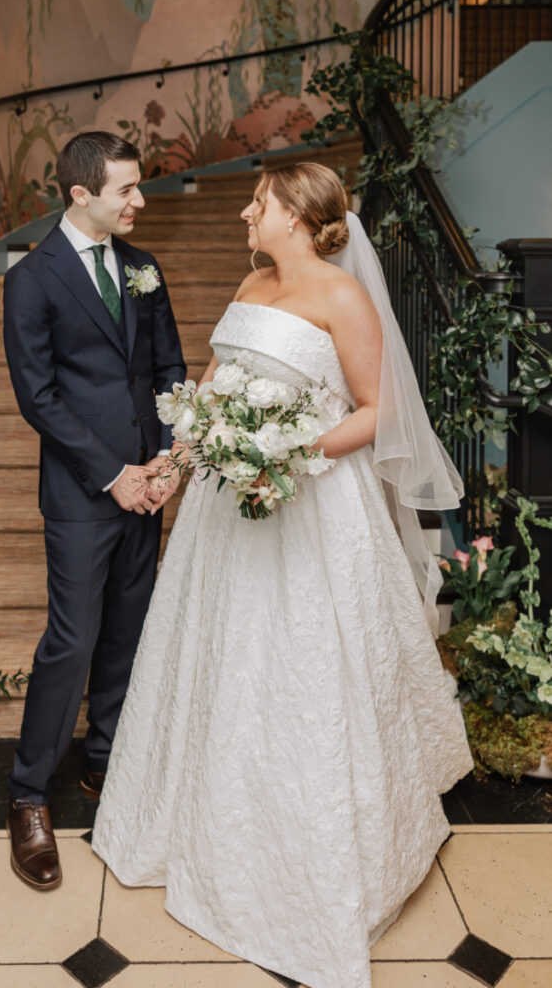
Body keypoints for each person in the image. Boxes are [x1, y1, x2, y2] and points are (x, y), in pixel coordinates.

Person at [91, 162, 473, 988]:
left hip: (312, 512)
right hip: (225, 520)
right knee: (222, 666)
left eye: (255, 203)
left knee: (305, 676)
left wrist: (285, 452)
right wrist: (179, 459)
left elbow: (374, 413)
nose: (243, 212)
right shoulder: (250, 280)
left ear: (296, 215)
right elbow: (219, 393)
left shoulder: (342, 297)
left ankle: (320, 854)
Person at [2, 131, 186, 890]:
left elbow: (169, 367)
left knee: (128, 630)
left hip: (149, 483)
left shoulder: (143, 267)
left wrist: (170, 459)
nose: (139, 201)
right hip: (84, 492)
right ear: (81, 195)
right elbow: (37, 397)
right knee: (71, 641)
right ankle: (26, 794)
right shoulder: (33, 279)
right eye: (126, 190)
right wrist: (112, 474)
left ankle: (106, 760)